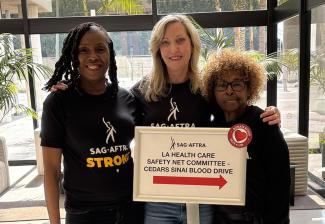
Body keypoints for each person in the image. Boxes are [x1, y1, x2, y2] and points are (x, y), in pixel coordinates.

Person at [130, 14, 282, 224]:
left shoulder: (206, 89)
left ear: (192, 44)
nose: (173, 49)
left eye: (180, 40)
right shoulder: (141, 91)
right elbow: (114, 117)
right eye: (165, 42)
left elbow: (237, 115)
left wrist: (270, 113)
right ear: (157, 48)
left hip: (201, 197)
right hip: (159, 201)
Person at [40, 22, 142, 224]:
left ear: (110, 53)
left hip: (131, 209)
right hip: (85, 215)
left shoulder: (127, 98)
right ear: (74, 56)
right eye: (83, 50)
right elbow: (51, 171)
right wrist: (54, 222)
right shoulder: (59, 102)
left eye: (100, 49)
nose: (93, 56)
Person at [202, 48, 290, 224]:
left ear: (249, 89)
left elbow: (280, 185)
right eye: (221, 84)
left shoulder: (264, 124)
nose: (229, 91)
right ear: (213, 91)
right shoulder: (210, 125)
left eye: (237, 84)